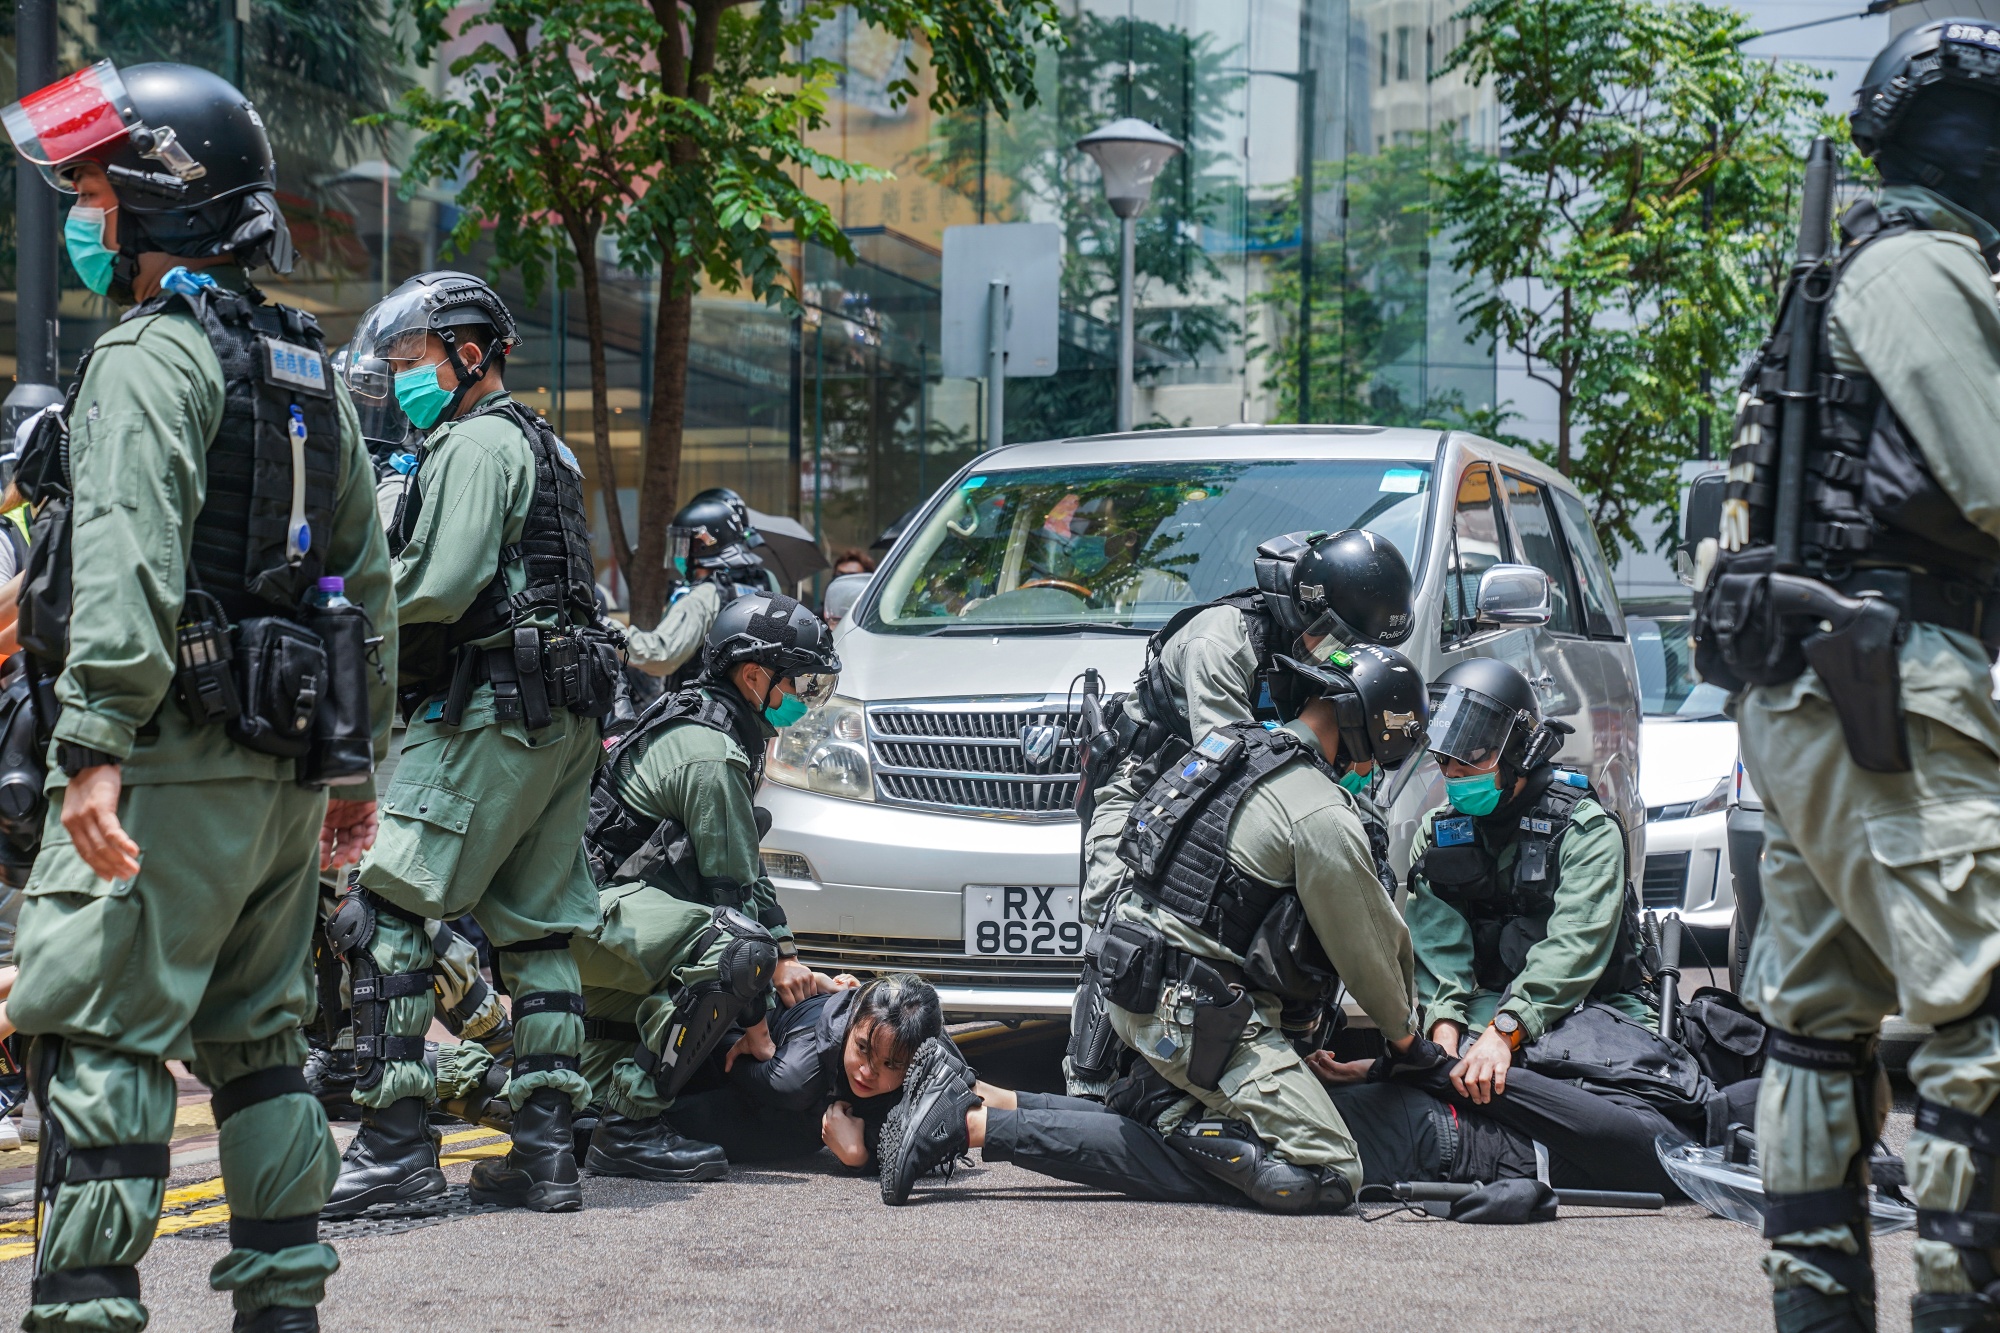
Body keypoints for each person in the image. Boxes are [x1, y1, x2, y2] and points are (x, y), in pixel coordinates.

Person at [0, 59, 396, 1332]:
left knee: (103, 1039)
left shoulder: (146, 359)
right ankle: (283, 1309)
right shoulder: (306, 372)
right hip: (279, 779)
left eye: (92, 192)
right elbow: (365, 585)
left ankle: (85, 1312)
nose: (81, 215)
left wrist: (95, 742)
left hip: (161, 770)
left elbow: (124, 552)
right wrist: (352, 769)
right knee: (260, 1046)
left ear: (158, 199)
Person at [1692, 21, 2000, 1333]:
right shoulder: (1923, 266)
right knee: (1983, 1015)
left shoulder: (1842, 270)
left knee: (1818, 1029)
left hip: (1815, 695)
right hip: (1894, 690)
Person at [900, 644, 1435, 1212]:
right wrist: (1410, 1045)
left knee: (1186, 1112)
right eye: (1373, 755)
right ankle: (1015, 1123)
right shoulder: (1318, 811)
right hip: (1194, 1018)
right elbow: (1371, 949)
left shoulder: (1225, 750)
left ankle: (978, 1099)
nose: (1365, 771)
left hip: (1132, 986)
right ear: (1364, 734)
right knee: (1324, 1170)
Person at [324, 269, 621, 1219]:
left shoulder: (474, 444)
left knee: (386, 909)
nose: (400, 374)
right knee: (536, 930)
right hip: (562, 718)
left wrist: (347, 600)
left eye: (412, 357)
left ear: (471, 351)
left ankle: (395, 1143)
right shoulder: (547, 448)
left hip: (488, 710)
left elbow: (444, 584)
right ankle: (545, 1150)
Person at [1067, 528, 1416, 1097]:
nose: (1350, 659)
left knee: (1358, 853)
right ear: (1312, 611)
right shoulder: (1223, 642)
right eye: (1343, 641)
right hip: (1150, 792)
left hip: (1246, 790)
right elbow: (1229, 771)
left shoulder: (1326, 655)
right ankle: (1091, 1083)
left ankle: (1291, 1053)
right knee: (1123, 918)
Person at [561, 592, 839, 1179]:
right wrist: (759, 1026)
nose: (807, 701)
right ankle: (631, 1131)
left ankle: (612, 1110)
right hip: (595, 923)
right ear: (755, 675)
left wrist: (789, 955)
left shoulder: (716, 725)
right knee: (739, 951)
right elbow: (733, 897)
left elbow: (746, 869)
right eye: (803, 685)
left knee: (579, 1098)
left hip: (609, 921)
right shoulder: (712, 755)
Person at [877, 1033, 1757, 1211]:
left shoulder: (1668, 1128)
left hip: (1420, 1126)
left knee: (1198, 1128)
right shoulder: (1665, 1145)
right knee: (1192, 1163)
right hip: (1422, 1130)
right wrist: (1395, 1062)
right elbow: (1507, 1089)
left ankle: (991, 1099)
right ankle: (966, 1119)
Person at [1404, 659, 1651, 1106]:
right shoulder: (1439, 833)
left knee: (1632, 1096)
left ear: (1522, 752)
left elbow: (1575, 948)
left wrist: (1506, 1032)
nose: (1454, 771)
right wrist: (1444, 1034)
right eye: (1445, 756)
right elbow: (1438, 950)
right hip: (1490, 1004)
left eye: (1473, 754)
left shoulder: (1585, 830)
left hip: (1593, 1005)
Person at [653, 972, 943, 1172]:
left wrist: (860, 1157)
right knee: (804, 1126)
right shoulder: (797, 1074)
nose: (867, 1072)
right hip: (718, 1045)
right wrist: (755, 1036)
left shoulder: (924, 1044)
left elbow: (970, 1098)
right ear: (854, 1020)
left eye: (890, 1064)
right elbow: (724, 1058)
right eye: (863, 1048)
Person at [619, 488, 769, 684]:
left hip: (704, 708)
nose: (679, 554)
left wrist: (610, 632)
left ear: (702, 546)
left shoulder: (702, 598)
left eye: (683, 544)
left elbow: (661, 655)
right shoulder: (759, 584)